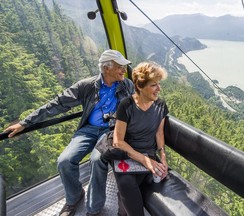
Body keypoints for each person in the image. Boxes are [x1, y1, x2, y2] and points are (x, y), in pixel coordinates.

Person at [3, 49, 135, 216]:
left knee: (97, 159)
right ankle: (74, 197)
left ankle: (94, 208)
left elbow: (135, 108)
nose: (124, 70)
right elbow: (57, 104)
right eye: (120, 66)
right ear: (106, 68)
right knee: (65, 160)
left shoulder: (127, 85)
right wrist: (25, 122)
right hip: (88, 130)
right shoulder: (86, 86)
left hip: (110, 130)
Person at [111, 61, 169, 216]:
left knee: (129, 188)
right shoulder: (126, 105)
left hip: (148, 153)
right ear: (140, 86)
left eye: (159, 84)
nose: (159, 89)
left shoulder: (161, 106)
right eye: (154, 85)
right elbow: (118, 141)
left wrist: (162, 156)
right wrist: (144, 160)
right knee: (126, 183)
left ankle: (121, 212)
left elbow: (159, 134)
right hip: (127, 153)